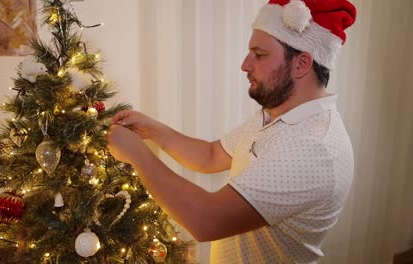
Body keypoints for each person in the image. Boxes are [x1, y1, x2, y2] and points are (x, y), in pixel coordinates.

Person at [107, 0, 357, 263]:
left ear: (301, 64)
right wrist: (153, 130)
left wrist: (137, 155)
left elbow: (207, 220)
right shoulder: (276, 114)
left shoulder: (314, 148)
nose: (245, 64)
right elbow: (211, 155)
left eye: (259, 55)